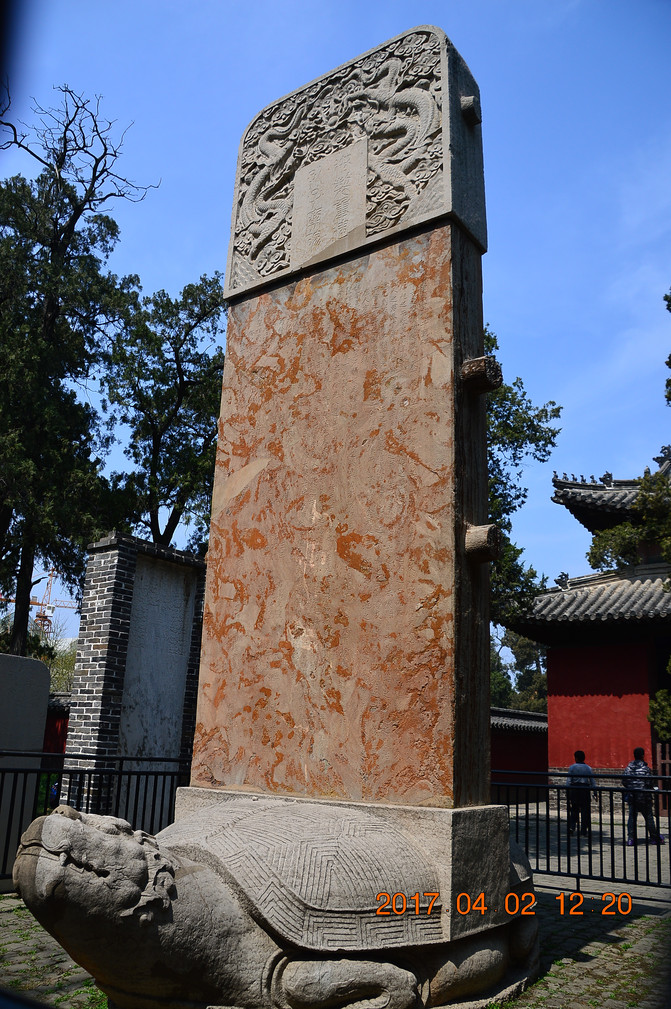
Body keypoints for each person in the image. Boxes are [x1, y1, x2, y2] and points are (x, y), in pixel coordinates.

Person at [621, 747, 665, 846]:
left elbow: (624, 781)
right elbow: (649, 782)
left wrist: (631, 787)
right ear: (642, 755)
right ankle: (654, 837)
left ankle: (631, 838)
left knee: (632, 818)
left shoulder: (628, 768)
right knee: (649, 818)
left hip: (632, 795)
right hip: (644, 796)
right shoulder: (645, 768)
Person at [567, 750, 596, 836]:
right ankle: (583, 830)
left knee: (574, 809)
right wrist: (595, 792)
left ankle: (572, 827)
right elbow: (592, 781)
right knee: (585, 811)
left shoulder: (572, 767)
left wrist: (567, 791)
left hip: (575, 789)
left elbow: (568, 781)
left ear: (576, 758)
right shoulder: (588, 768)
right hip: (585, 789)